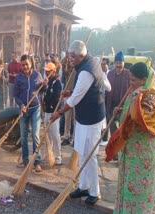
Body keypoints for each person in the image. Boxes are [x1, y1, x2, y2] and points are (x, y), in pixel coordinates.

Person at [50, 40, 106, 205]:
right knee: (82, 153)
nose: (70, 60)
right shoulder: (89, 62)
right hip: (84, 117)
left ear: (82, 55)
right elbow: (83, 90)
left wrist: (58, 113)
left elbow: (74, 100)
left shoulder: (86, 71)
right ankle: (83, 186)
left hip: (91, 118)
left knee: (90, 156)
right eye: (69, 56)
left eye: (73, 57)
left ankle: (95, 192)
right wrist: (72, 91)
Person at [105, 62, 155, 213]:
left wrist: (133, 100)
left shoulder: (153, 98)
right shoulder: (136, 93)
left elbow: (139, 119)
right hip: (130, 151)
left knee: (139, 192)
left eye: (134, 80)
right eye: (130, 79)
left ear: (144, 80)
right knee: (126, 187)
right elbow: (129, 114)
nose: (131, 83)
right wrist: (121, 110)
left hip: (144, 153)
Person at [14, 54, 48, 172]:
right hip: (23, 110)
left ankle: (36, 161)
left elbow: (43, 90)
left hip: (35, 108)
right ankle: (25, 160)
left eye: (26, 64)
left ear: (31, 64)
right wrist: (21, 105)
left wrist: (44, 85)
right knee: (23, 136)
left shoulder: (37, 75)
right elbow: (16, 96)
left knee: (35, 135)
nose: (25, 67)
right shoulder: (18, 78)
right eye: (23, 65)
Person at [106, 51, 130, 141]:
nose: (118, 65)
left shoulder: (128, 74)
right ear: (114, 64)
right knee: (113, 131)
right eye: (117, 63)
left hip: (123, 107)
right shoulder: (110, 74)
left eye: (120, 63)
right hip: (111, 107)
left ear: (124, 63)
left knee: (123, 129)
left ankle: (122, 148)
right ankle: (115, 149)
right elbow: (107, 90)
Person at [43, 62, 62, 164]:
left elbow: (56, 98)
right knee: (48, 135)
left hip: (54, 112)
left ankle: (58, 156)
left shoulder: (56, 82)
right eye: (46, 71)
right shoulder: (48, 82)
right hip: (47, 111)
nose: (46, 73)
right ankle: (49, 154)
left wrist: (47, 99)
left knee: (55, 135)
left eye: (48, 71)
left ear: (53, 71)